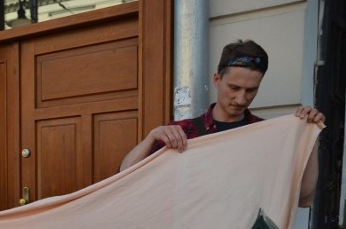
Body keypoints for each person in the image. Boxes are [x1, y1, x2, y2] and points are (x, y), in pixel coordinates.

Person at [119, 40, 324, 207]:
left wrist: (311, 136)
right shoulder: (184, 131)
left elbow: (304, 198)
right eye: (234, 87)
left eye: (251, 90)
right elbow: (124, 177)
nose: (241, 99)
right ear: (217, 80)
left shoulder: (266, 135)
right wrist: (152, 136)